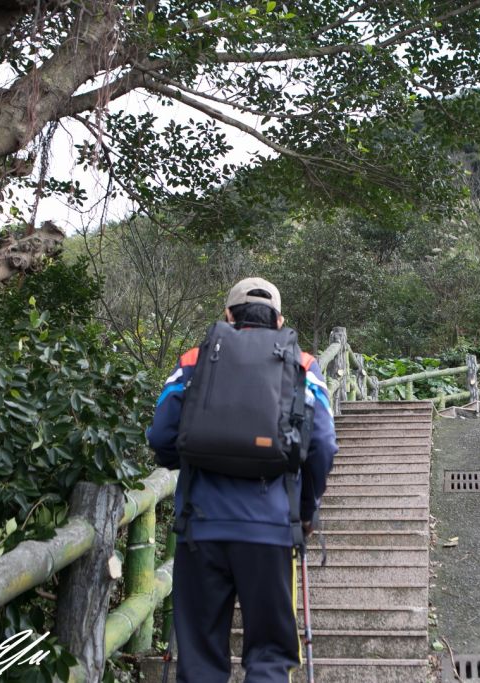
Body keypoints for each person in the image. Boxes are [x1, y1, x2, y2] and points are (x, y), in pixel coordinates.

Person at [147, 277, 338, 683]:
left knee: (199, 661)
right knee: (269, 657)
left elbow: (161, 436)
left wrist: (192, 462)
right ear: (279, 319)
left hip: (200, 528)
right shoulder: (302, 365)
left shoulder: (192, 362)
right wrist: (306, 513)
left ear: (228, 316)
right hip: (271, 530)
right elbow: (322, 443)